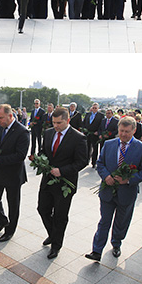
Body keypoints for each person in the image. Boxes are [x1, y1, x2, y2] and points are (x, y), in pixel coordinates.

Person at [85, 115, 142, 261]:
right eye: (121, 131)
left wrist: (128, 180)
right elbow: (100, 163)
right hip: (108, 190)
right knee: (104, 221)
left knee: (121, 221)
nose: (123, 134)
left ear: (134, 130)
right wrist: (106, 176)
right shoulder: (109, 144)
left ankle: (116, 243)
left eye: (127, 131)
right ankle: (96, 250)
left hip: (127, 192)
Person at [38, 106, 88, 259]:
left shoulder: (78, 138)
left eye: (59, 123)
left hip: (65, 183)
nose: (55, 126)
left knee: (60, 215)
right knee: (42, 209)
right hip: (47, 180)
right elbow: (43, 151)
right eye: (53, 122)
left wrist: (62, 170)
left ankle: (56, 245)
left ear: (68, 120)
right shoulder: (48, 133)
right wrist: (40, 160)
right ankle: (53, 235)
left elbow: (82, 161)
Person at [0, 103, 30, 241]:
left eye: (0, 118)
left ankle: (10, 230)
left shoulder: (22, 131)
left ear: (10, 116)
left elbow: (20, 155)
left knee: (13, 204)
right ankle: (2, 222)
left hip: (13, 175)